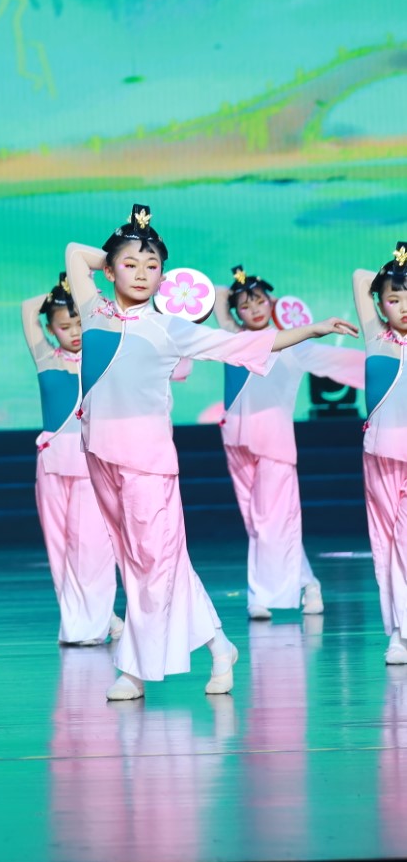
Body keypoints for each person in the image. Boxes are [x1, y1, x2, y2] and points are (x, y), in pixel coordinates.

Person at [64, 207, 357, 701]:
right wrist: (126, 246)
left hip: (148, 464)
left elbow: (243, 346)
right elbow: (75, 253)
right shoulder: (93, 309)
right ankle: (220, 647)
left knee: (153, 562)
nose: (142, 274)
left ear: (164, 277)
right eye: (130, 265)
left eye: (153, 266)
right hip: (98, 455)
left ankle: (134, 671)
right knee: (147, 562)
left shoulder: (170, 328)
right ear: (109, 271)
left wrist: (311, 330)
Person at [213, 267, 364, 619]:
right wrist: (243, 289)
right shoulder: (233, 338)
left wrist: (278, 308)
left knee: (272, 522)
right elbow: (219, 294)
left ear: (272, 302)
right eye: (245, 305)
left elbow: (343, 363)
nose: (254, 309)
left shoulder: (292, 344)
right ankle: (309, 583)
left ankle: (260, 597)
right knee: (259, 524)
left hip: (275, 443)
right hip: (235, 439)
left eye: (260, 301)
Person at [21, 275, 121, 645]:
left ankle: (91, 626)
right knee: (59, 549)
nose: (74, 332)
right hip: (51, 466)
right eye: (64, 326)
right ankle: (89, 620)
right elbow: (27, 309)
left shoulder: (102, 355)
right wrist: (60, 292)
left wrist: (82, 294)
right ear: (51, 329)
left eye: (79, 322)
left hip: (90, 464)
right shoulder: (46, 357)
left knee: (92, 548)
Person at [354, 246, 407, 664]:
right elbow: (359, 276)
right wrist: (396, 267)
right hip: (381, 455)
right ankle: (397, 633)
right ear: (380, 303)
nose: (404, 307)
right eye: (394, 299)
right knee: (385, 544)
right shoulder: (375, 336)